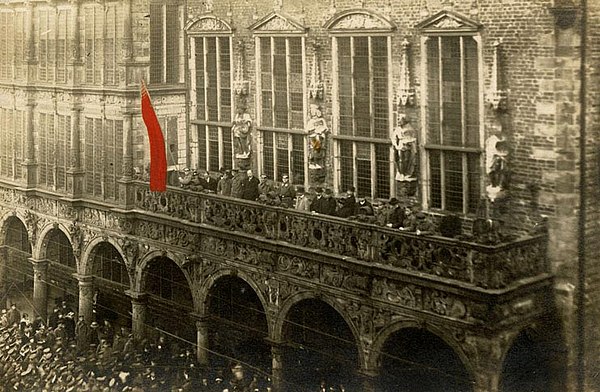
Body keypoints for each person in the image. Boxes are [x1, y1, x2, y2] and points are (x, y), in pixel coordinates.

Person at [390, 114, 417, 181]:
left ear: (404, 120)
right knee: (400, 160)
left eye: (400, 119)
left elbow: (413, 139)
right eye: (398, 119)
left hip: (407, 146)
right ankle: (401, 173)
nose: (398, 121)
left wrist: (408, 142)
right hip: (400, 146)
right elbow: (393, 138)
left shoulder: (410, 129)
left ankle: (407, 173)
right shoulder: (397, 129)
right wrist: (396, 145)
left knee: (407, 160)